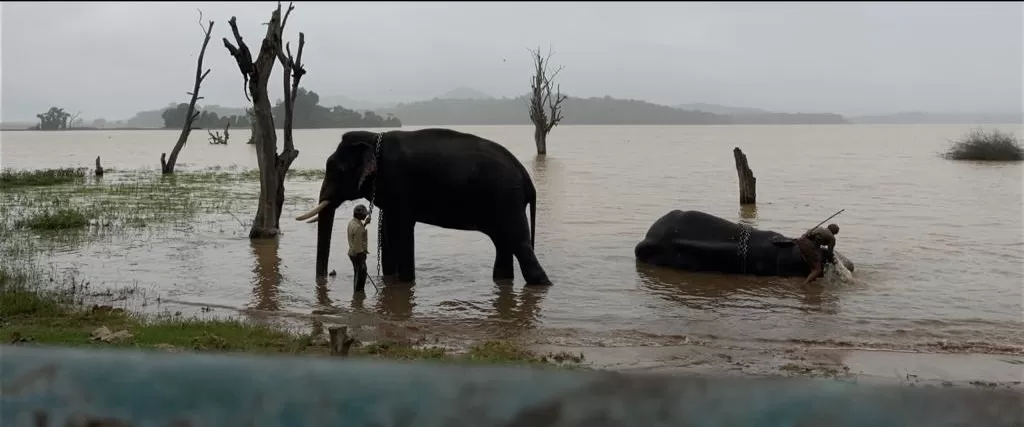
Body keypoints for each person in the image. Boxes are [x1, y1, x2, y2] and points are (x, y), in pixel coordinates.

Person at [347, 204, 372, 293]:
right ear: (359, 215)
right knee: (361, 274)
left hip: (352, 253)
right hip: (357, 255)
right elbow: (358, 246)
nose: (365, 215)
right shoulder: (358, 227)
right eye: (364, 214)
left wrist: (365, 224)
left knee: (357, 273)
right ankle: (358, 295)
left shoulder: (353, 222)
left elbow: (357, 234)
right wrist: (362, 261)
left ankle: (356, 293)